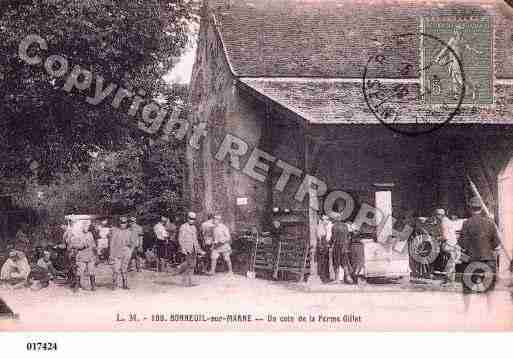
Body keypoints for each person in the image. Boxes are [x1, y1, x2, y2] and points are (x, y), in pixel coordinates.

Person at [458, 197, 500, 312]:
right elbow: (496, 243)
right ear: (481, 209)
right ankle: (490, 311)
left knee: (467, 286)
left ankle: (466, 310)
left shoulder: (466, 223)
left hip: (471, 260)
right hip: (488, 260)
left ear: (470, 209)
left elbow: (463, 244)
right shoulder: (490, 223)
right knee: (489, 287)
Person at [175, 212, 205, 286]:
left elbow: (195, 240)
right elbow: (180, 239)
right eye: (191, 218)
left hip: (194, 248)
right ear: (187, 218)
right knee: (189, 264)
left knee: (192, 265)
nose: (192, 220)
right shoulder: (183, 227)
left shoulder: (194, 227)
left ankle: (189, 281)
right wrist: (183, 248)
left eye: (194, 219)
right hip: (187, 248)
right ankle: (184, 280)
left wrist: (199, 250)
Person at [70, 219, 97, 292]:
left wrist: (94, 248)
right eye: (85, 226)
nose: (87, 228)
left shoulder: (90, 234)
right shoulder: (77, 234)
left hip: (90, 256)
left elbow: (93, 243)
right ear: (82, 226)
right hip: (81, 256)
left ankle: (93, 285)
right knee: (79, 272)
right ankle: (77, 286)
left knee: (92, 271)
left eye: (88, 226)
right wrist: (82, 246)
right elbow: (73, 245)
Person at [434, 208, 459, 283]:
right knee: (451, 262)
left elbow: (445, 237)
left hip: (449, 245)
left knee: (436, 251)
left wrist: (437, 239)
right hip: (453, 244)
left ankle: (447, 277)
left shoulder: (443, 222)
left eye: (436, 215)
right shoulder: (448, 221)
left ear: (439, 215)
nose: (436, 217)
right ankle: (450, 278)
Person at [110, 216, 134, 290]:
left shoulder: (129, 232)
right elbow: (112, 244)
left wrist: (130, 252)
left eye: (124, 223)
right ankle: (114, 284)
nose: (123, 224)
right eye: (121, 223)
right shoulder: (115, 231)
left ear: (127, 223)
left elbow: (132, 243)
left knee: (124, 269)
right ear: (119, 223)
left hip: (126, 253)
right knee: (116, 270)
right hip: (117, 253)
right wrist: (111, 254)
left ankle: (125, 284)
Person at [331, 214, 354, 284]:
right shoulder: (345, 226)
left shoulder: (334, 226)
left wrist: (330, 243)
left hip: (337, 246)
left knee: (336, 262)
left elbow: (333, 237)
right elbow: (348, 236)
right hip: (345, 247)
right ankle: (348, 277)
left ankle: (337, 279)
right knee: (345, 262)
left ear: (336, 219)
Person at [316, 215, 333, 283]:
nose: (326, 221)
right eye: (325, 220)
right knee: (322, 262)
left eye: (327, 220)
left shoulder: (324, 226)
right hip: (322, 245)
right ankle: (323, 277)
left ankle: (326, 276)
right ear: (322, 220)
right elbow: (319, 238)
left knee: (326, 261)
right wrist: (321, 246)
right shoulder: (320, 227)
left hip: (325, 245)